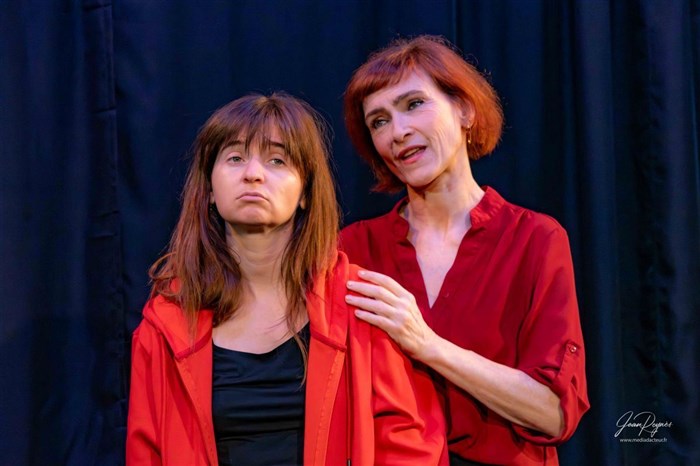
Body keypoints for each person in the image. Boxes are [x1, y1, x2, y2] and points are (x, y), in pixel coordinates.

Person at [126, 92, 448, 466]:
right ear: (210, 189)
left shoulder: (360, 302)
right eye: (235, 158)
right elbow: (145, 453)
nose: (253, 173)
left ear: (305, 192)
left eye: (277, 160)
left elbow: (408, 445)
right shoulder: (165, 322)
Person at [340, 35, 589, 466]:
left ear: (465, 110)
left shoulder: (535, 239)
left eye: (414, 104)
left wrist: (428, 344)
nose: (398, 132)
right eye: (379, 121)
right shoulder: (354, 248)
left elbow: (553, 414)